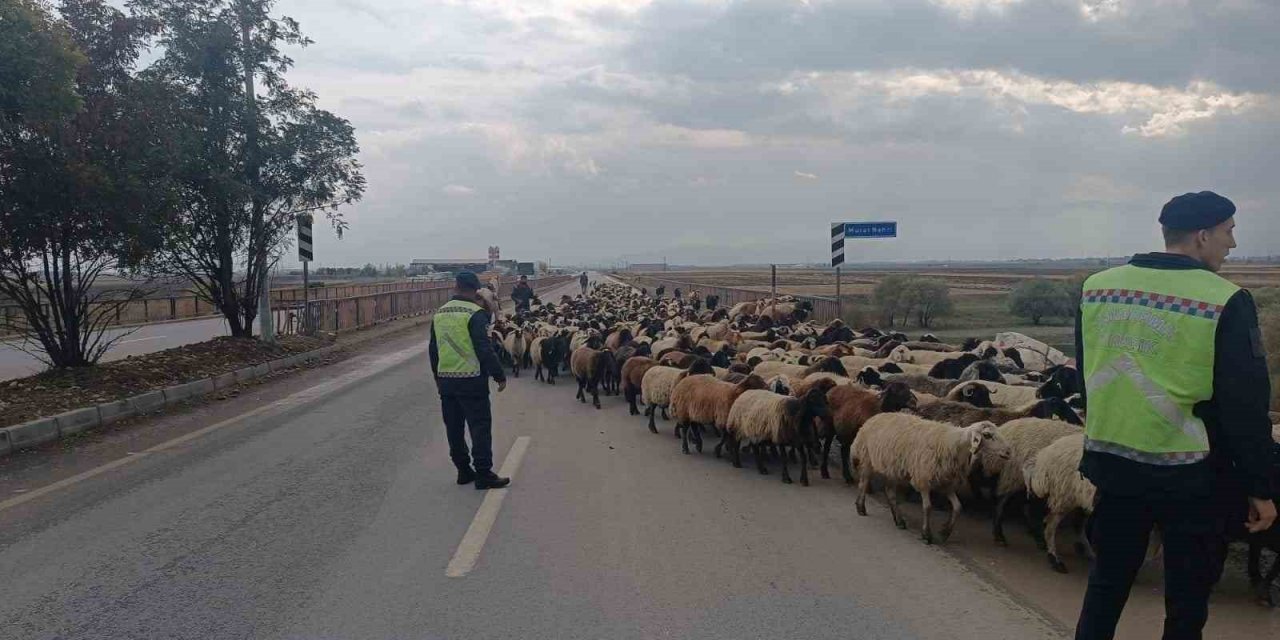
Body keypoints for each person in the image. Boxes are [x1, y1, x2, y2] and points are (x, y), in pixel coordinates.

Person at [1073, 191, 1276, 640]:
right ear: (1203, 236)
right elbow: (1244, 405)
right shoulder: (1225, 300)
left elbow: (1087, 375)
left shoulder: (1098, 287)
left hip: (1114, 466)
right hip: (1191, 478)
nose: (1233, 244)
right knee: (1186, 602)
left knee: (1106, 586)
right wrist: (1262, 486)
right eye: (1229, 232)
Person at [429, 271, 511, 490]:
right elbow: (483, 349)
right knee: (479, 427)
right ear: (476, 290)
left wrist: (437, 378)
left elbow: (433, 350)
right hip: (472, 380)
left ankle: (464, 471)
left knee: (454, 428)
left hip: (446, 381)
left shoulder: (440, 313)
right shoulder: (475, 313)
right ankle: (483, 473)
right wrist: (499, 374)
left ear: (456, 286)